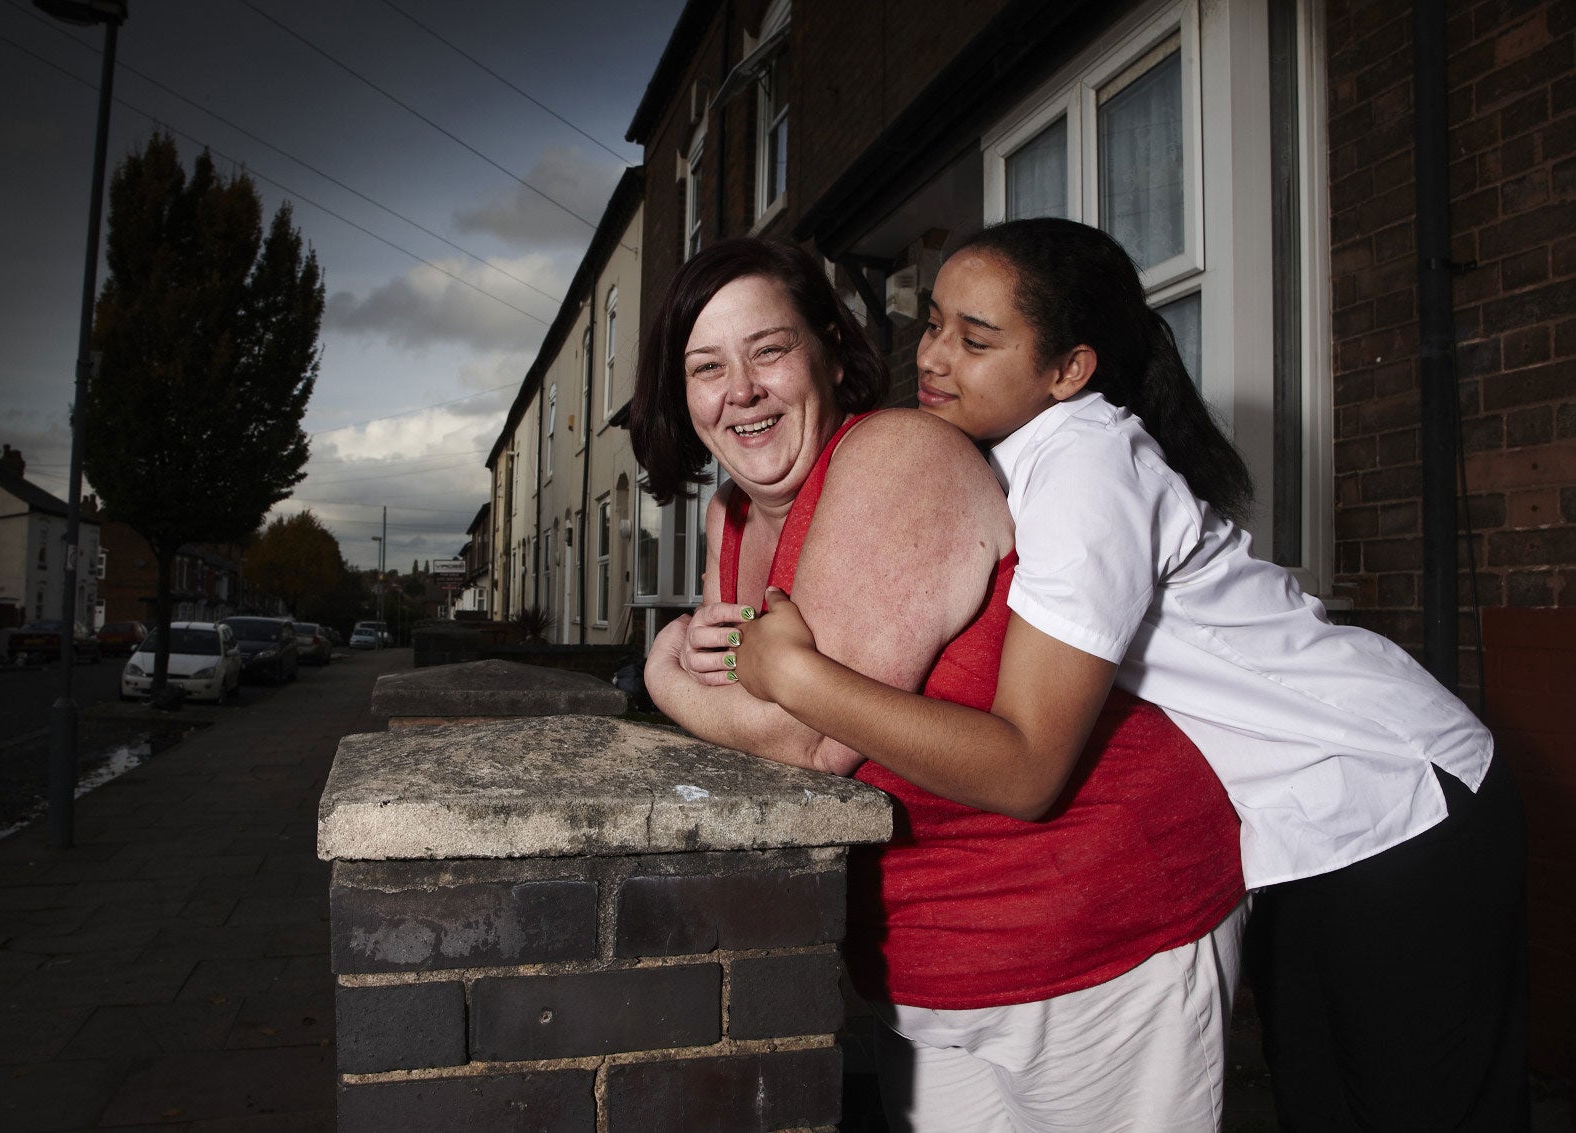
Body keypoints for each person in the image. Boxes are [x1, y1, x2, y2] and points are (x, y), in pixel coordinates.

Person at [730, 217, 1529, 1132]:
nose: (936, 356)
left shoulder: (1085, 463)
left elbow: (1026, 767)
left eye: (977, 339)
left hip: (1400, 794)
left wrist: (797, 678)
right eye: (935, 323)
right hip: (1304, 824)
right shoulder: (1011, 453)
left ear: (1069, 368)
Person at [633, 236, 1247, 1132]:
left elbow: (806, 740)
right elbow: (746, 711)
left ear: (832, 352)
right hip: (927, 961)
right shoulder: (732, 513)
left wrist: (658, 669)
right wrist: (710, 670)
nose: (742, 391)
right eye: (706, 366)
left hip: (1098, 929)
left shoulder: (899, 456)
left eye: (769, 350)